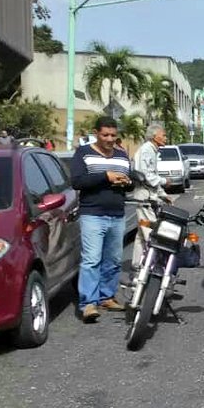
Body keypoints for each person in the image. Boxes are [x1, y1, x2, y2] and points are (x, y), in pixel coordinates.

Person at [70, 116, 132, 322]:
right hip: (92, 214)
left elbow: (129, 183)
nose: (109, 139)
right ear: (96, 133)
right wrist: (106, 176)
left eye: (113, 135)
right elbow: (77, 181)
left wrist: (126, 182)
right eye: (105, 135)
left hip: (117, 214)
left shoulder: (122, 156)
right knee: (91, 260)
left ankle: (107, 296)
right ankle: (88, 303)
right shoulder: (83, 153)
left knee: (113, 260)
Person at [131, 124, 171, 271]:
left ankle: (137, 264)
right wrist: (164, 181)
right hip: (145, 198)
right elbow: (146, 175)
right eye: (164, 135)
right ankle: (154, 266)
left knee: (142, 233)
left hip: (149, 196)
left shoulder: (152, 151)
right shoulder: (147, 150)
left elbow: (151, 175)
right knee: (151, 233)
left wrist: (163, 195)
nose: (165, 138)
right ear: (155, 136)